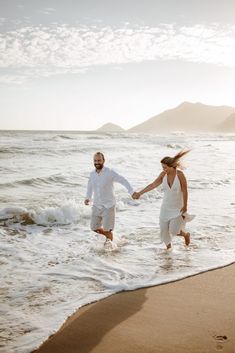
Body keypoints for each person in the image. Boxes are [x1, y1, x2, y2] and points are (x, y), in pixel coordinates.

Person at [133, 150, 193, 250]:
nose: (163, 170)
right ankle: (168, 251)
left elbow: (185, 191)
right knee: (164, 231)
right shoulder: (163, 175)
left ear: (172, 166)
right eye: (162, 167)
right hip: (165, 208)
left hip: (178, 208)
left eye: (165, 167)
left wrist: (185, 206)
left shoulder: (180, 175)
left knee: (174, 231)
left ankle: (186, 235)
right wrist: (140, 193)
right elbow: (153, 185)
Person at [84, 152, 134, 243]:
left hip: (108, 206)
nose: (97, 162)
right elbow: (90, 186)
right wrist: (88, 197)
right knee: (93, 227)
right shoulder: (92, 174)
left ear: (103, 161)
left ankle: (109, 247)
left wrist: (131, 192)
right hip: (96, 205)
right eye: (95, 160)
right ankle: (109, 236)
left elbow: (123, 180)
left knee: (108, 230)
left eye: (99, 160)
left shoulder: (110, 172)